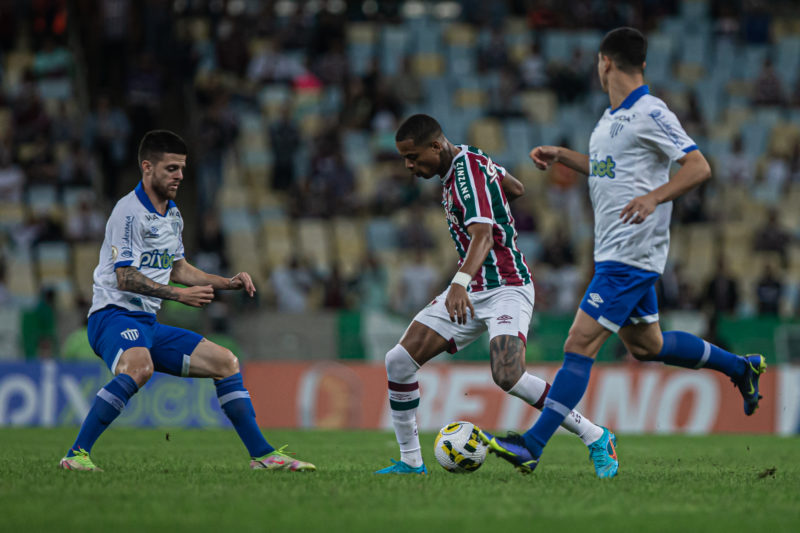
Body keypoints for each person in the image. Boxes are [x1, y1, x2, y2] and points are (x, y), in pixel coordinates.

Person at [479, 28, 767, 478]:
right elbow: (605, 169)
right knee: (647, 345)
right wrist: (562, 156)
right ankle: (741, 368)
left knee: (578, 344)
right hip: (614, 250)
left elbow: (698, 165)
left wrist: (655, 197)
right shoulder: (612, 119)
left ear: (604, 62)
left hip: (631, 253)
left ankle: (532, 445)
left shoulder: (652, 112)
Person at [59, 130, 315, 472]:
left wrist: (228, 282)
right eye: (171, 169)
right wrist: (179, 296)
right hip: (113, 316)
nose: (180, 176)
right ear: (147, 167)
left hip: (147, 323)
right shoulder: (128, 212)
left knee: (226, 362)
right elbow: (125, 277)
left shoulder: (172, 214)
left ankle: (263, 455)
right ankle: (76, 455)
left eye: (182, 168)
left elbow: (178, 268)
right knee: (140, 368)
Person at [375, 114, 616, 476]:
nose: (409, 166)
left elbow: (484, 236)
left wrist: (457, 282)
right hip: (474, 288)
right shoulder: (473, 159)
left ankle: (596, 436)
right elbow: (516, 188)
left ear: (436, 146)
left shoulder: (464, 172)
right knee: (398, 361)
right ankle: (411, 462)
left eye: (413, 157)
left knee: (508, 375)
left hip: (505, 285)